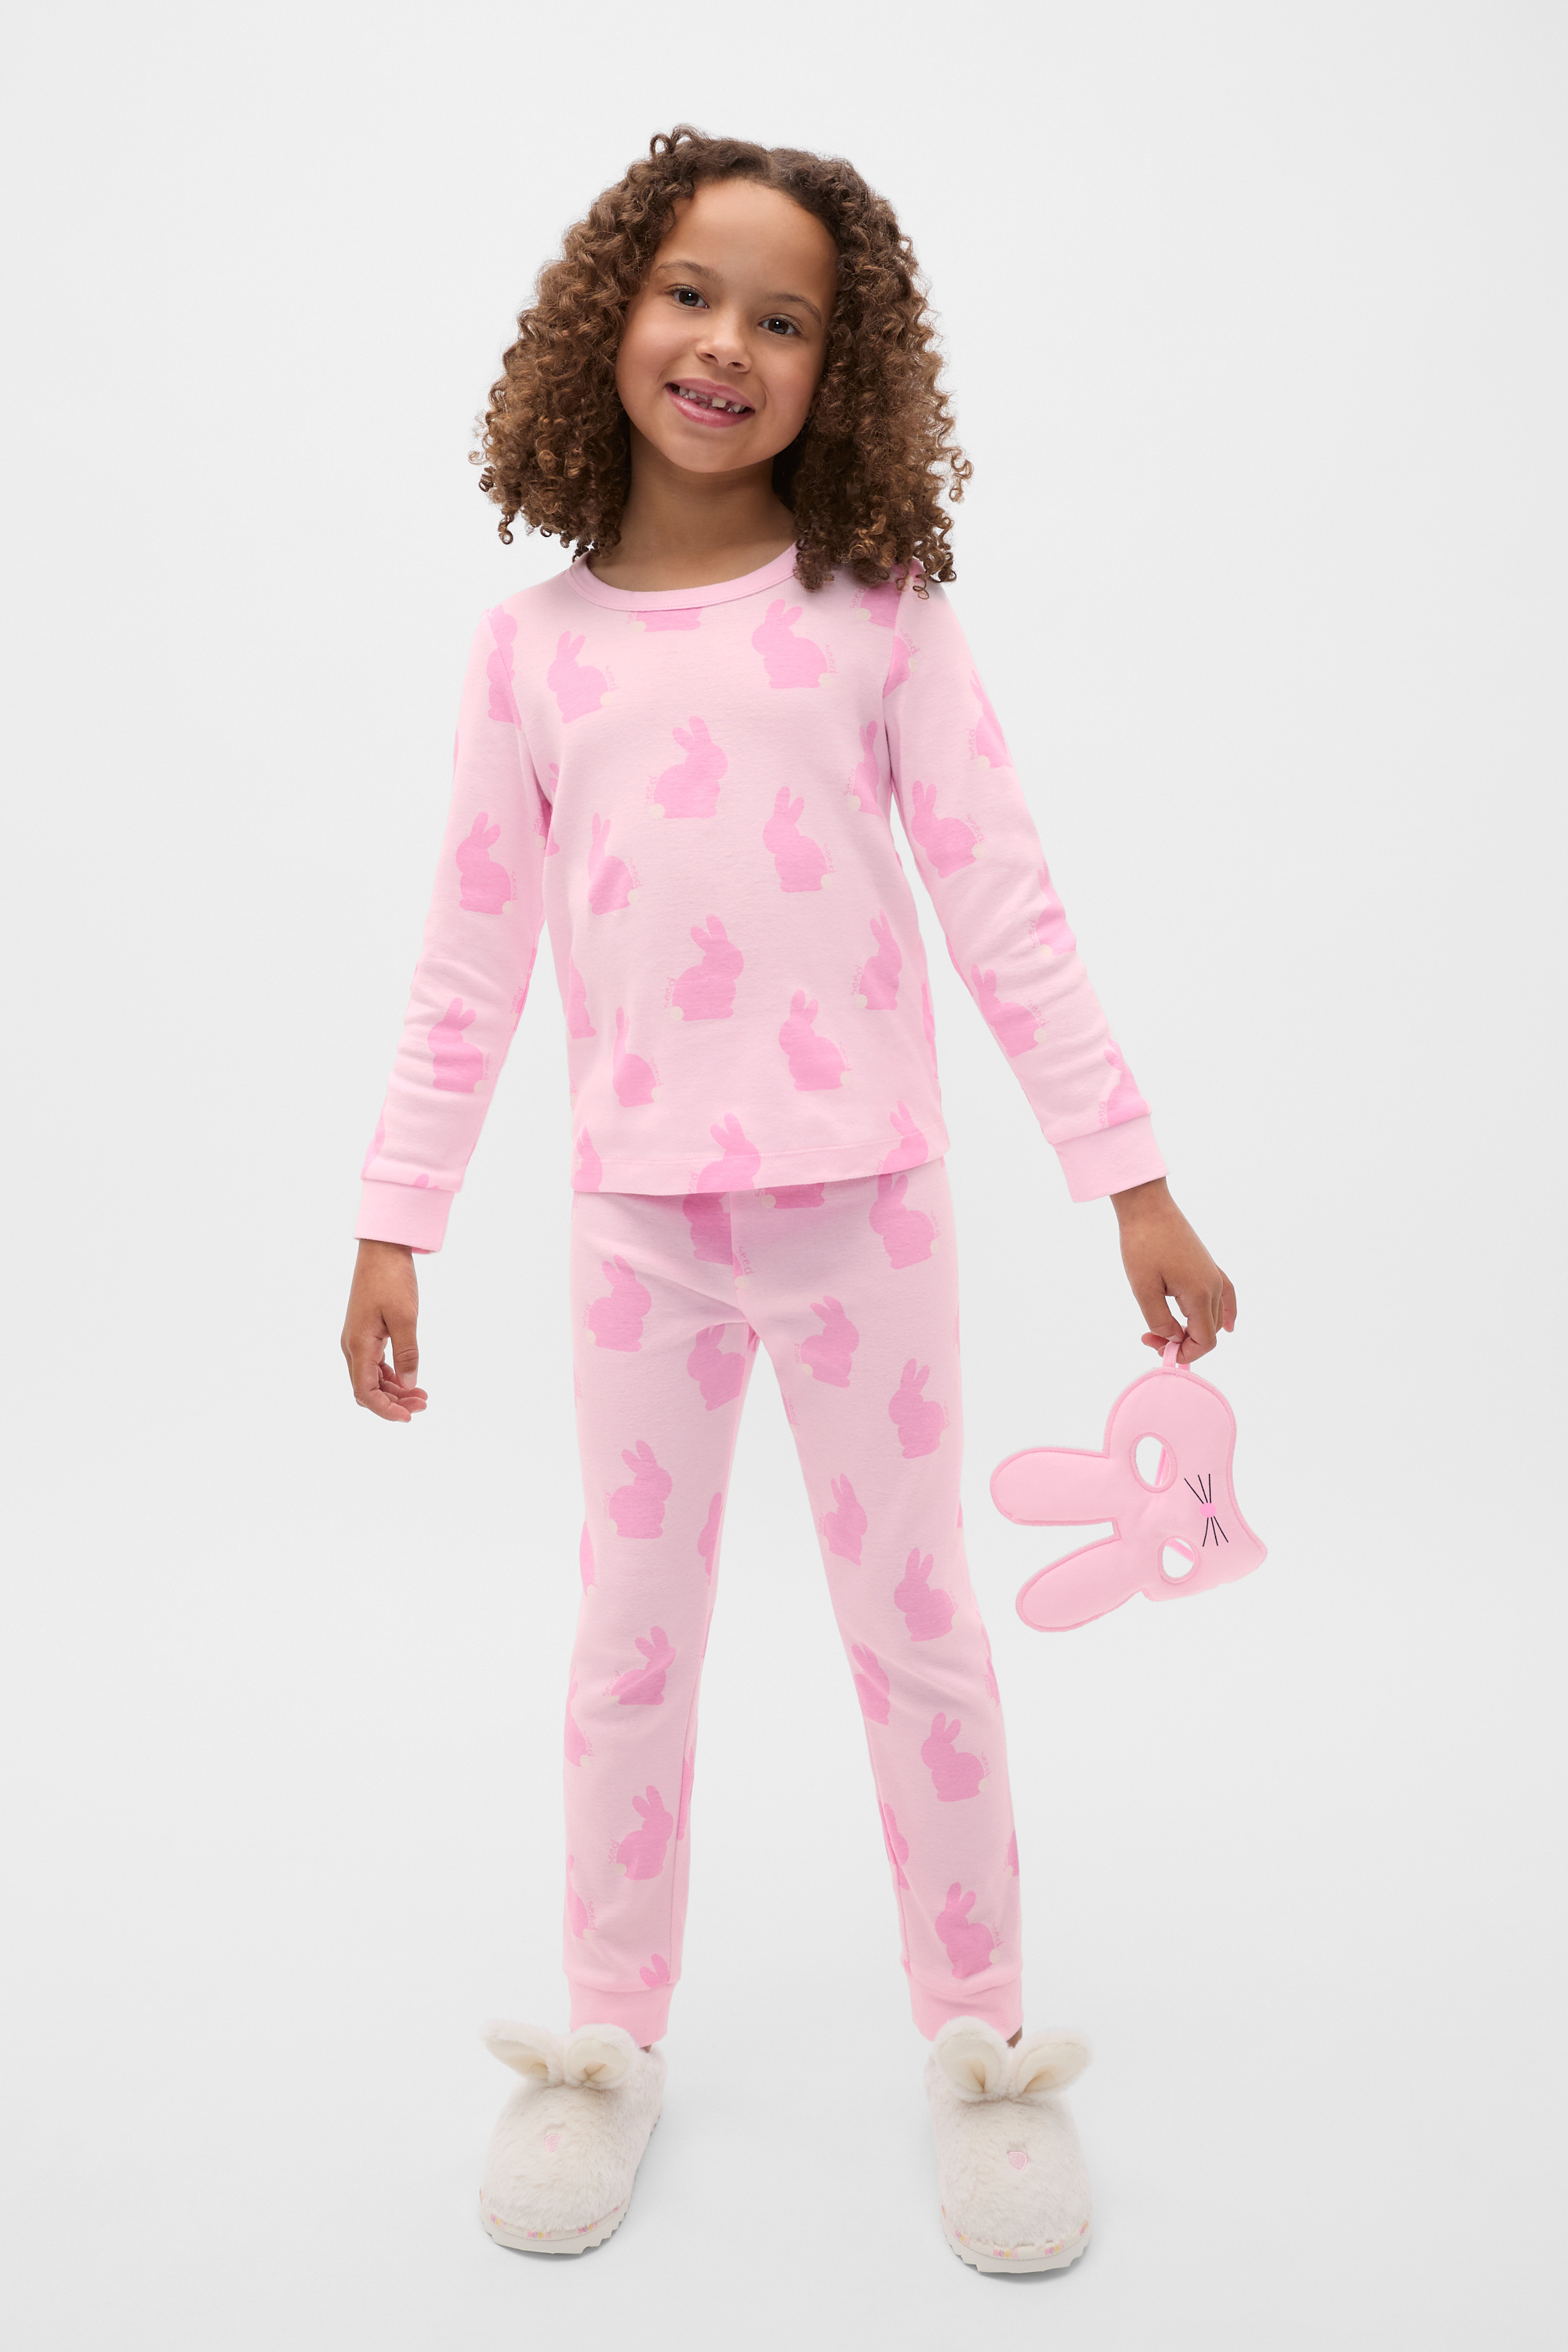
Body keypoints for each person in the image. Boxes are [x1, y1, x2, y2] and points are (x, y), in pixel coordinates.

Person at [340, 126, 1236, 2274]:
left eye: (784, 317)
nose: (726, 343)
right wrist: (398, 1215)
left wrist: (1132, 1180)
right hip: (635, 1228)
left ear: (844, 371)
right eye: (689, 293)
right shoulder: (532, 651)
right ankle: (603, 2042)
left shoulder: (880, 619)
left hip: (872, 1219)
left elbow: (1007, 906)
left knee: (918, 1633)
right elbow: (467, 960)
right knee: (627, 1647)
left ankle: (983, 2054)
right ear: (607, 318)